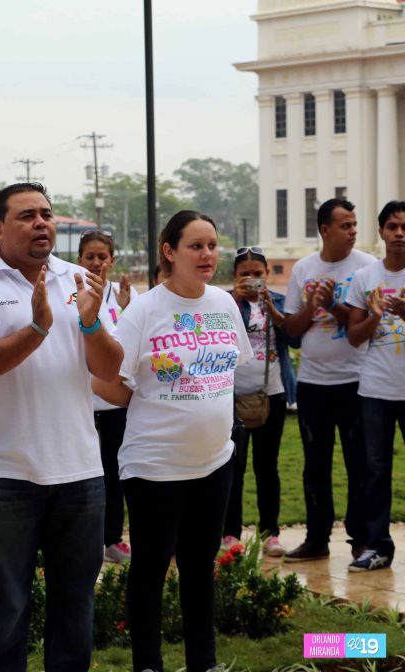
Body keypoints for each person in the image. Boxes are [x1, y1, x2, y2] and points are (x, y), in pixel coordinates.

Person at [0, 183, 123, 672]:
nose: (41, 223)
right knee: (9, 605)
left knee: (75, 604)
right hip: (8, 472)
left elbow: (109, 370)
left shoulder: (81, 280)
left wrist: (91, 325)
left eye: (46, 213)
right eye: (26, 216)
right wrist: (38, 329)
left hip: (79, 471)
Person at [93, 211, 252, 672]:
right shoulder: (144, 309)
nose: (206, 256)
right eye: (195, 246)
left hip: (215, 461)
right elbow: (115, 382)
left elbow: (229, 371)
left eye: (212, 246)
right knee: (150, 569)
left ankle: (203, 662)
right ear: (169, 251)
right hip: (155, 468)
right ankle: (148, 663)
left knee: (200, 569)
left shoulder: (223, 303)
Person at [282, 198, 374, 562]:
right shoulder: (304, 269)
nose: (353, 232)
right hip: (314, 384)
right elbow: (291, 328)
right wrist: (312, 305)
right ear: (325, 230)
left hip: (357, 382)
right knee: (315, 464)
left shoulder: (367, 268)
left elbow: (358, 327)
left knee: (359, 465)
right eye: (345, 225)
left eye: (354, 224)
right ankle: (317, 539)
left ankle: (362, 539)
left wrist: (333, 303)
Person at [223, 246, 299, 557]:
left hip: (273, 394)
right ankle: (230, 534)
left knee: (267, 467)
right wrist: (237, 300)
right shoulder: (225, 303)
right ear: (234, 277)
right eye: (245, 275)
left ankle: (271, 533)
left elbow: (294, 339)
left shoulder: (277, 302)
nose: (252, 280)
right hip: (232, 396)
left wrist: (273, 310)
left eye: (258, 274)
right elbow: (218, 336)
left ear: (267, 275)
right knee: (234, 466)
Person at [344, 200, 405, 572]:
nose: (400, 233)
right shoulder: (366, 278)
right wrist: (377, 316)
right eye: (393, 227)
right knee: (375, 471)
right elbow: (353, 336)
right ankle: (377, 545)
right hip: (377, 390)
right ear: (381, 232)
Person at [78, 229, 138, 564]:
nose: (97, 262)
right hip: (83, 401)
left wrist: (127, 309)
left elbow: (132, 343)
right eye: (90, 257)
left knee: (115, 472)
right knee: (86, 472)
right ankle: (83, 538)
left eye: (103, 257)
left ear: (112, 261)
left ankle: (113, 539)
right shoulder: (71, 293)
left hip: (115, 402)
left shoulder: (125, 295)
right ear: (79, 260)